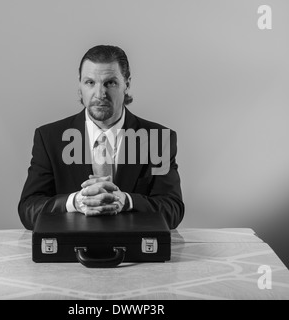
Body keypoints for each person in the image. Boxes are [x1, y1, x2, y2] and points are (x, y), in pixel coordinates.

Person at [18, 45, 184, 230]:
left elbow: (173, 210)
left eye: (110, 83)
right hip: (70, 255)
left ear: (127, 84)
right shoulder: (49, 138)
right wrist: (75, 202)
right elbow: (28, 209)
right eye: (90, 82)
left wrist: (127, 201)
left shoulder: (158, 140)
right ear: (79, 85)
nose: (100, 94)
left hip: (133, 252)